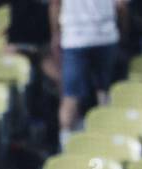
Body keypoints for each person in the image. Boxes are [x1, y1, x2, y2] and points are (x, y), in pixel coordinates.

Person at [51, 0, 125, 148]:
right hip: (104, 35)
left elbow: (55, 5)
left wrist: (55, 34)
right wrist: (123, 32)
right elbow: (121, 5)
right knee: (103, 91)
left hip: (75, 38)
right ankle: (105, 138)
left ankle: (65, 143)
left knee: (71, 95)